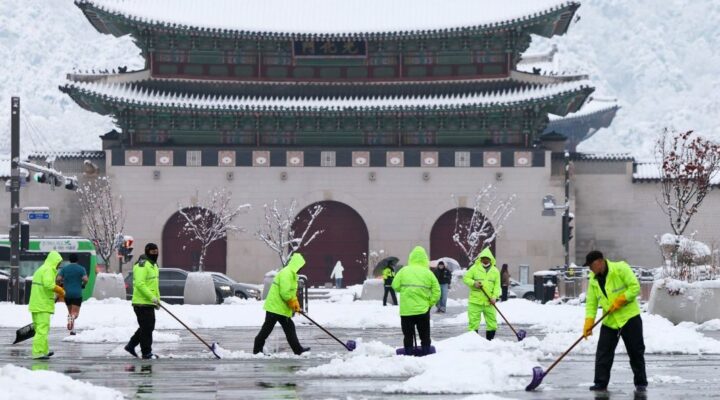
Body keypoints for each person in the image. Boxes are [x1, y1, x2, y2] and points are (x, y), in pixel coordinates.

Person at [583, 250, 647, 393]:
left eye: (591, 265)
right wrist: (589, 322)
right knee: (603, 353)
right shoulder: (593, 279)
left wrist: (621, 299)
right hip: (610, 320)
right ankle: (600, 383)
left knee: (635, 352)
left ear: (600, 262)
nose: (590, 269)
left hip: (629, 317)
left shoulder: (620, 268)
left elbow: (635, 287)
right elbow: (591, 303)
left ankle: (641, 383)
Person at [254, 253, 310, 355]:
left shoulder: (292, 275)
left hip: (281, 308)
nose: (301, 269)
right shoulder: (286, 273)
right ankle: (257, 349)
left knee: (289, 329)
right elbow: (285, 293)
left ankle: (298, 350)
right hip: (275, 308)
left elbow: (291, 293)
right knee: (267, 329)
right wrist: (293, 303)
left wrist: (296, 305)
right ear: (296, 265)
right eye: (300, 266)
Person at [391, 246, 440, 356]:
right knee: (424, 334)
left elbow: (395, 286)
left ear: (411, 258)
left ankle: (408, 354)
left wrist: (404, 290)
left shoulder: (404, 271)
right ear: (424, 259)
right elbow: (437, 291)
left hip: (406, 311)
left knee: (408, 335)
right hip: (423, 310)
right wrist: (430, 303)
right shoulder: (428, 273)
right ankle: (426, 352)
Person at [125, 243, 161, 360]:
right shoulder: (142, 265)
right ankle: (146, 352)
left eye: (156, 252)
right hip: (141, 302)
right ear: (147, 252)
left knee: (147, 327)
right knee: (147, 328)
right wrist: (152, 298)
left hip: (149, 302)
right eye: (152, 252)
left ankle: (131, 345)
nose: (155, 254)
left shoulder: (153, 265)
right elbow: (140, 284)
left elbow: (154, 285)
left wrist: (157, 300)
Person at [28, 251, 65, 359]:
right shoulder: (49, 270)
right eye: (58, 263)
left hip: (36, 304)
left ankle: (44, 350)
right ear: (54, 261)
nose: (58, 266)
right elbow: (49, 284)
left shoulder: (41, 269)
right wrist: (61, 290)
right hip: (42, 305)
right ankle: (38, 352)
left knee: (41, 329)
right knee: (42, 330)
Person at [463, 248, 501, 340]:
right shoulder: (474, 268)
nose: (485, 260)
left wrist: (494, 297)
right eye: (483, 258)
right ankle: (474, 342)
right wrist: (474, 283)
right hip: (475, 301)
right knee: (473, 323)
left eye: (487, 258)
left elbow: (497, 286)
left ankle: (489, 341)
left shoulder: (495, 271)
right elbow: (466, 278)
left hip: (489, 302)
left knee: (492, 323)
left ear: (490, 259)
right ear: (480, 259)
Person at [56, 253, 88, 335]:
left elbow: (58, 278)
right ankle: (73, 319)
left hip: (67, 294)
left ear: (69, 260)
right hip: (77, 293)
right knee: (75, 313)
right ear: (77, 260)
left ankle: (72, 330)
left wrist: (61, 284)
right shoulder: (81, 269)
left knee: (70, 311)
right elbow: (85, 279)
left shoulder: (64, 269)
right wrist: (83, 284)